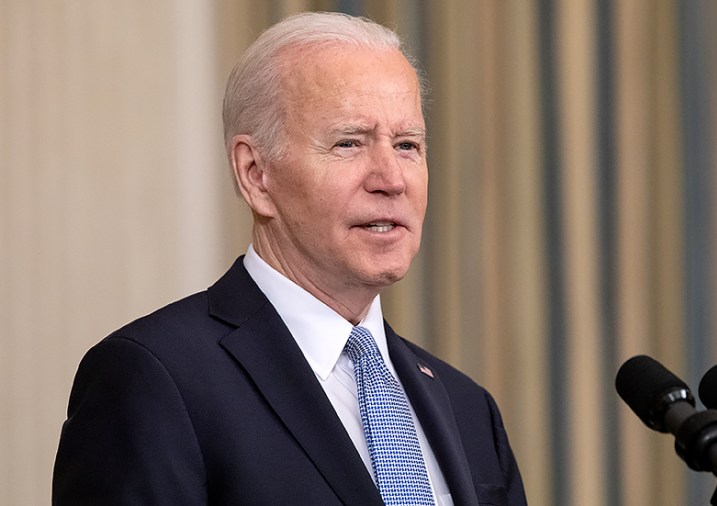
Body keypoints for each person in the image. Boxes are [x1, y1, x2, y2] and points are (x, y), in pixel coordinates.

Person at [52, 11, 526, 506]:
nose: (392, 179)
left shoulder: (469, 407)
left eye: (408, 145)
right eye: (349, 143)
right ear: (255, 174)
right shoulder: (154, 379)